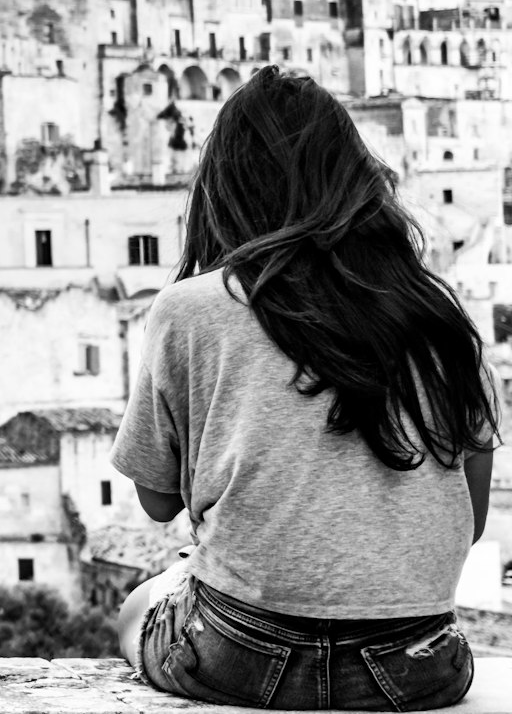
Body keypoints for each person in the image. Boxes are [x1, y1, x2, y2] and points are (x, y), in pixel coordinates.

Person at [112, 66, 503, 710]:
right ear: (356, 184)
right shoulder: (438, 314)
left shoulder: (191, 307)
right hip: (416, 667)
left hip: (239, 654)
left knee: (139, 605)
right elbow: (473, 519)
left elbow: (156, 502)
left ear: (223, 190)